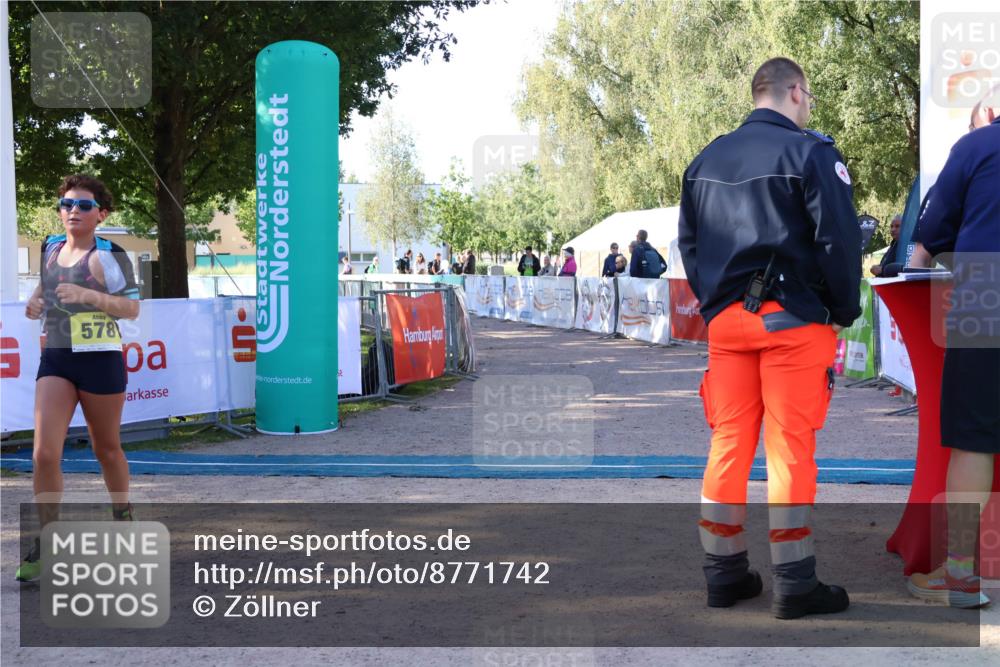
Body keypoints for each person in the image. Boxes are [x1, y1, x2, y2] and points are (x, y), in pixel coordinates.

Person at [678, 57, 861, 618]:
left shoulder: (706, 158)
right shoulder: (811, 153)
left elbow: (688, 245)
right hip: (792, 321)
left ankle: (724, 573)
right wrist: (841, 311)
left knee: (728, 443)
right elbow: (839, 241)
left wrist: (718, 303)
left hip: (727, 325)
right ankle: (794, 582)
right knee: (790, 449)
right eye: (808, 98)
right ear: (796, 93)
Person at [16, 174, 142, 582]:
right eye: (67, 204)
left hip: (100, 358)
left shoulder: (110, 255)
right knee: (44, 454)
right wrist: (36, 301)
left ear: (101, 214)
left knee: (106, 449)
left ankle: (122, 515)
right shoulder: (51, 247)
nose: (73, 211)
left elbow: (131, 309)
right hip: (56, 357)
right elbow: (45, 288)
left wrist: (89, 296)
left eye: (83, 205)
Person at [906, 91, 1000, 609]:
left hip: (988, 291)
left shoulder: (977, 145)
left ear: (989, 111)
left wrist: (920, 258)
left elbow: (928, 239)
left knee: (973, 438)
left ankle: (962, 575)